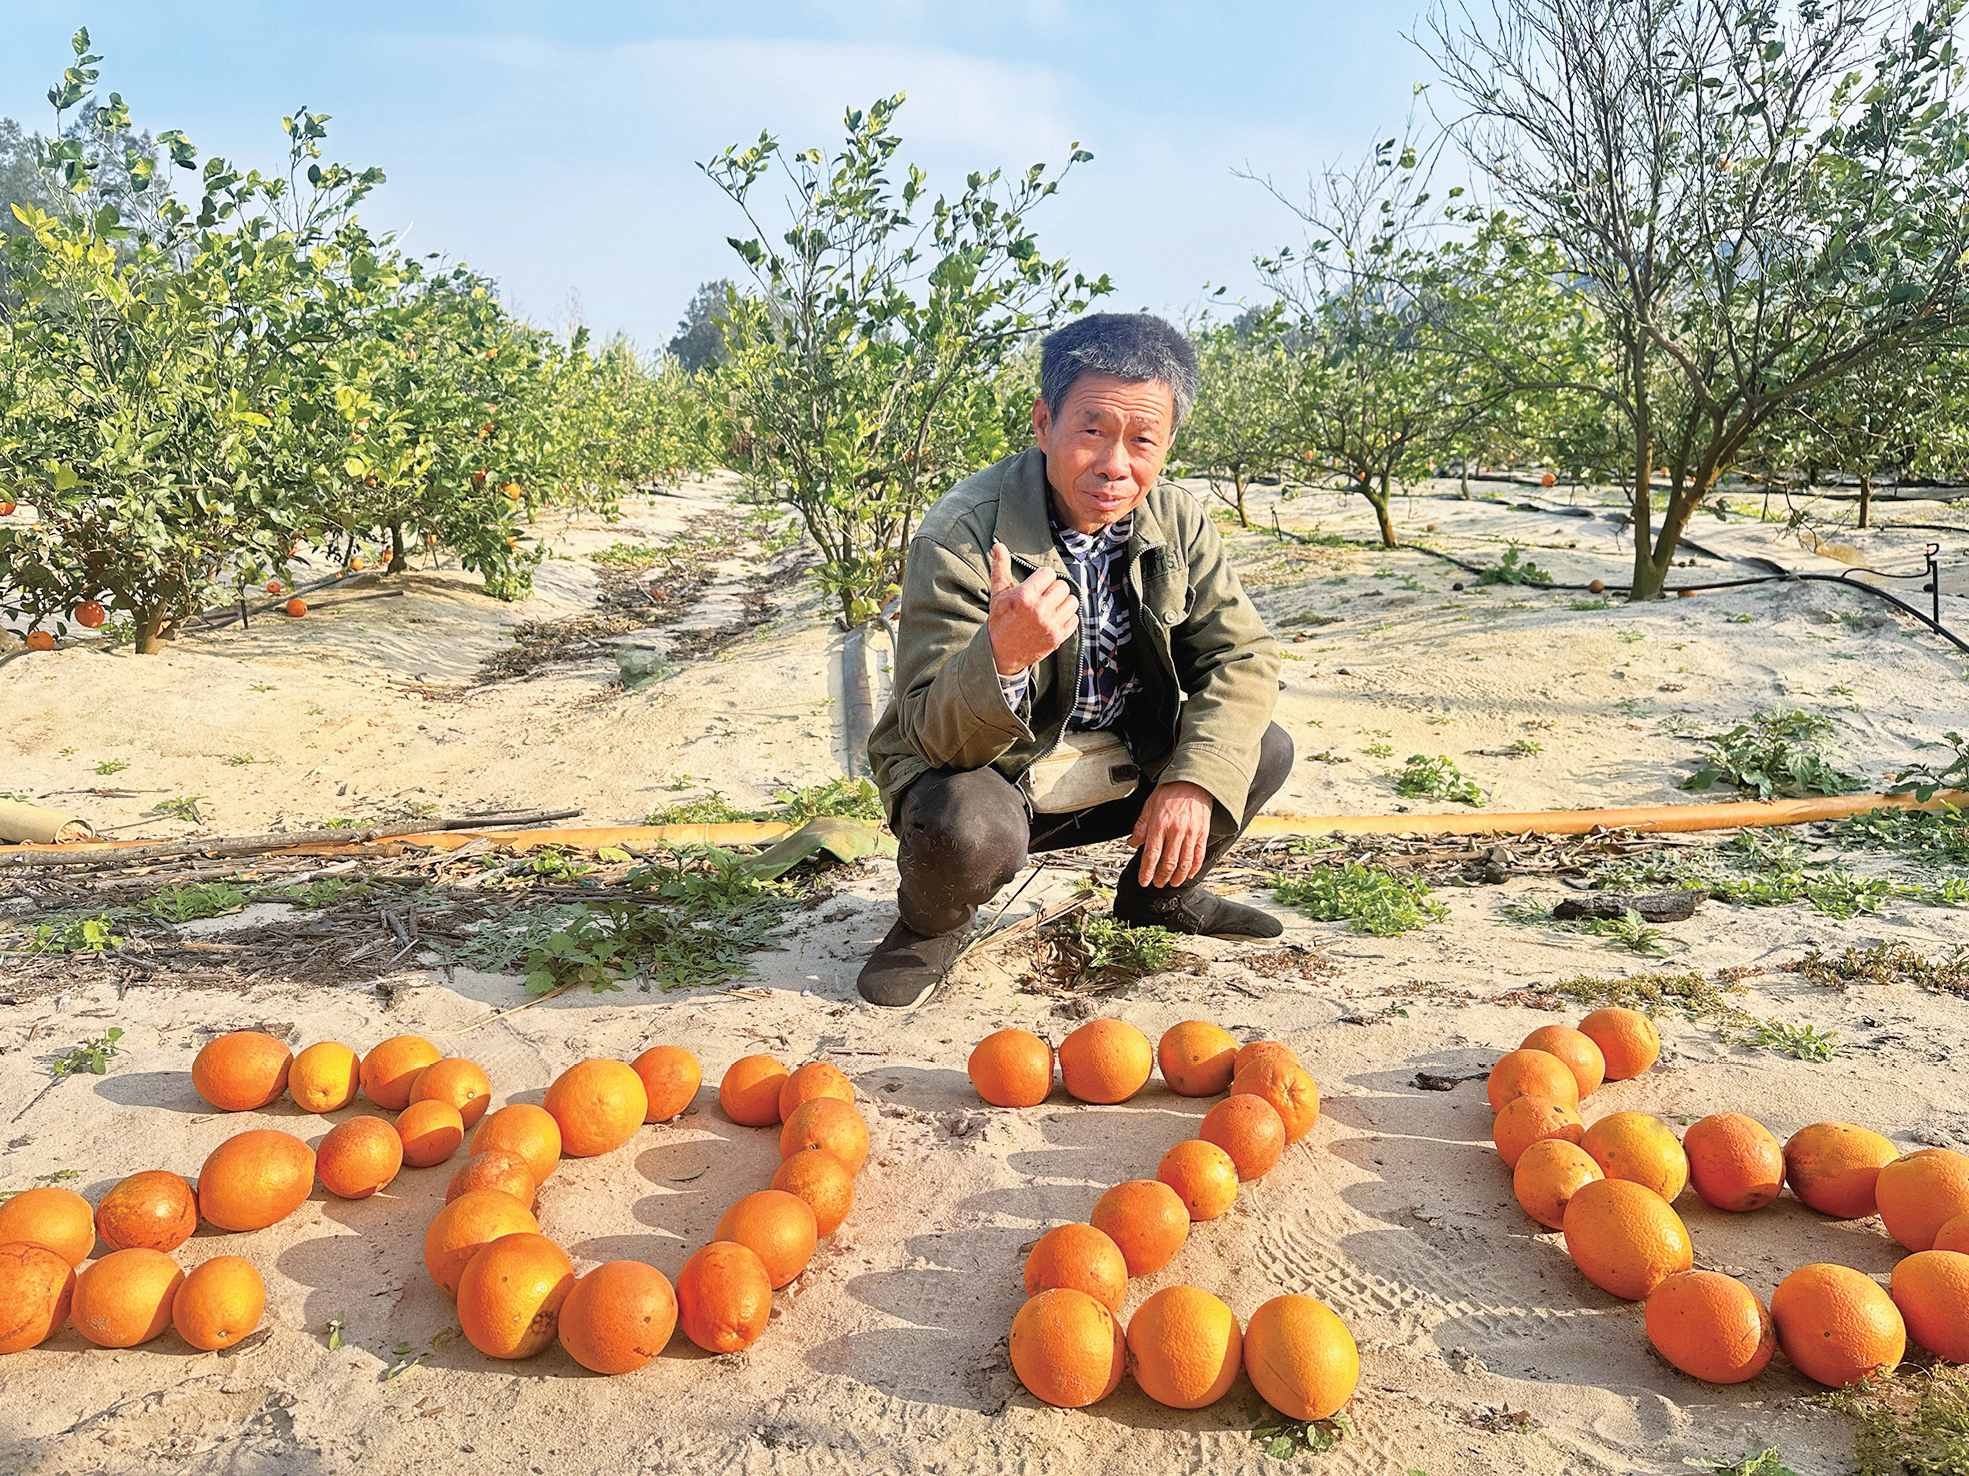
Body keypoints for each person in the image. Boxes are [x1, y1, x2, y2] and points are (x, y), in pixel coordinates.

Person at [860, 312, 1293, 1008]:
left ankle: (1158, 897)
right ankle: (929, 924)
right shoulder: (963, 531)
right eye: (1091, 430)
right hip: (996, 771)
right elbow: (926, 732)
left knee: (1257, 749)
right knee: (965, 829)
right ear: (1043, 424)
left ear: (1168, 442)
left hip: (1119, 756)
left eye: (1142, 439)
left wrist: (1193, 782)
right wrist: (1001, 659)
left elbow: (1239, 654)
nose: (1115, 464)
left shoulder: (1175, 519)